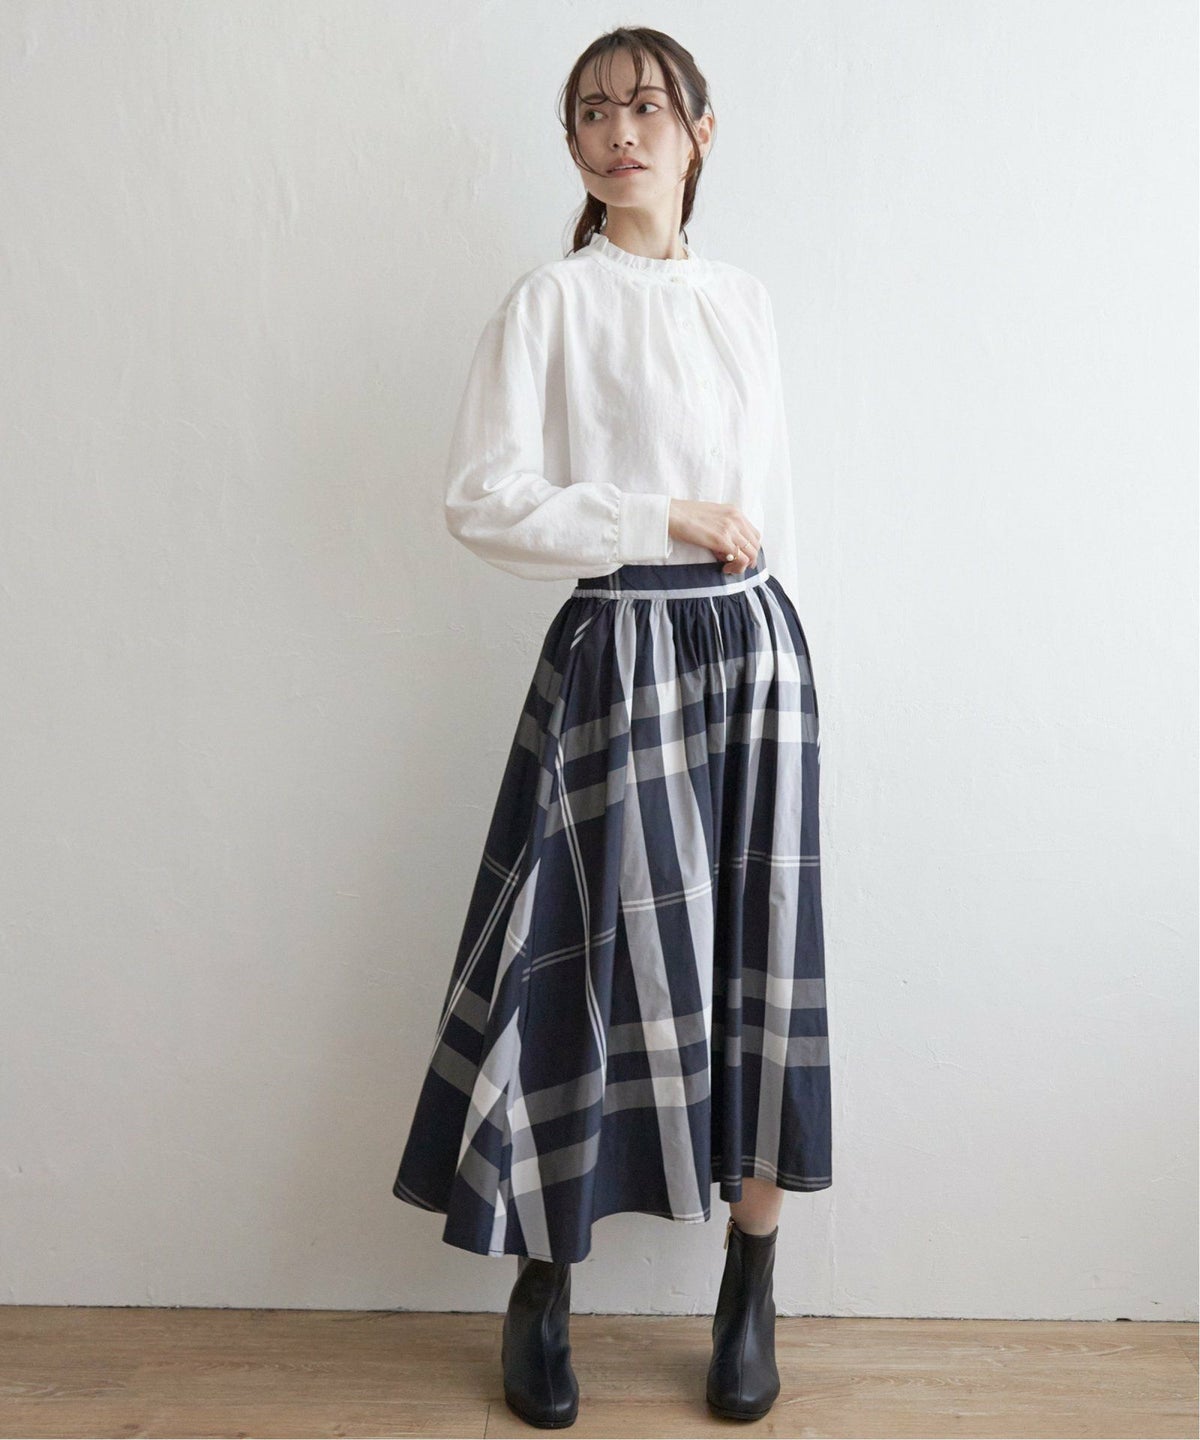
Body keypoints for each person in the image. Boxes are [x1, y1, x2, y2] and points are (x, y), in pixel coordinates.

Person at [391, 26, 831, 1429]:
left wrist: (786, 652)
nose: (619, 132)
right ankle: (543, 1283)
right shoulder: (553, 302)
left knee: (760, 963)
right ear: (573, 144)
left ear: (702, 129)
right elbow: (483, 498)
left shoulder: (746, 300)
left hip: (753, 658)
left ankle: (751, 1284)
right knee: (577, 966)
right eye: (591, 113)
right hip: (621, 651)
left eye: (646, 106)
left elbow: (771, 505)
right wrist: (658, 518)